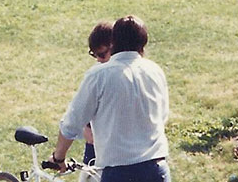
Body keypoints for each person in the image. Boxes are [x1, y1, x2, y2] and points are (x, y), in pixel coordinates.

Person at [48, 16, 170, 181]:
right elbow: (161, 117)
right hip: (157, 169)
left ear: (114, 42)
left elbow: (72, 123)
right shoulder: (155, 71)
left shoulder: (99, 75)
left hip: (119, 172)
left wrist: (58, 158)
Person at [81, 21, 114, 165]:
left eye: (101, 54)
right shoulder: (97, 74)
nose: (99, 60)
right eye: (94, 55)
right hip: (95, 144)